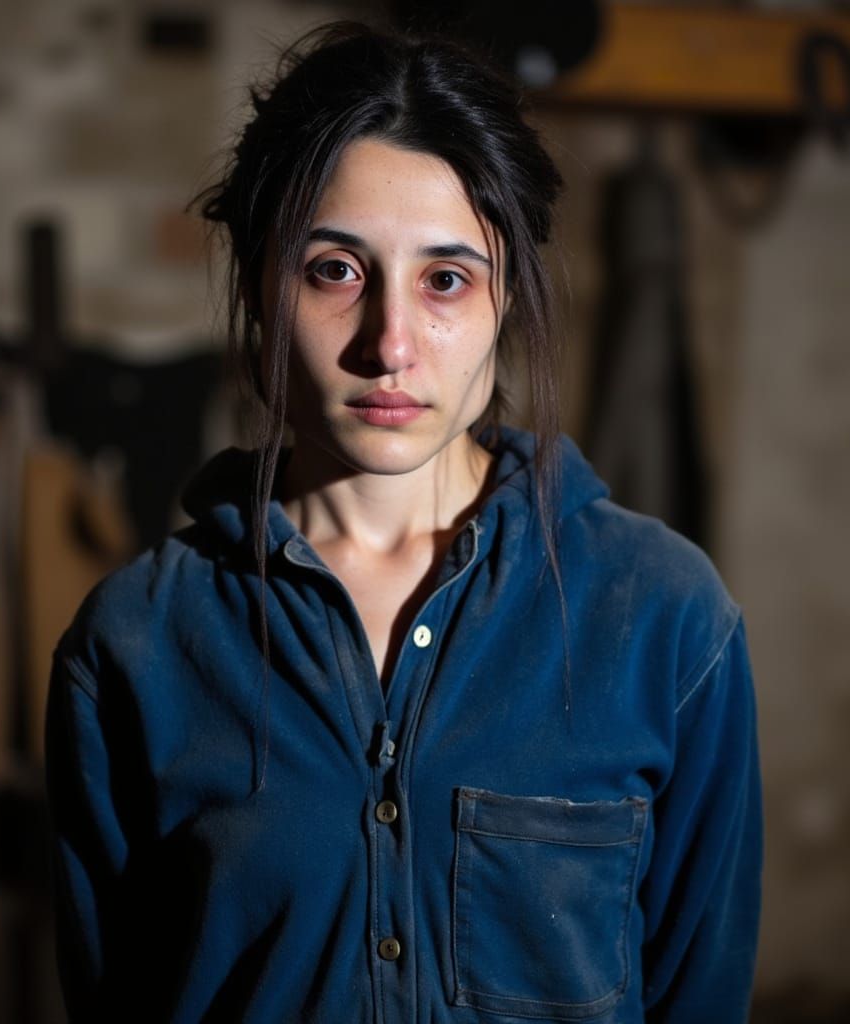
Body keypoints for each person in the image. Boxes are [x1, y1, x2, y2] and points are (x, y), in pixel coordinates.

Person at [44, 21, 762, 1024]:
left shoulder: (665, 624)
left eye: (445, 280)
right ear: (258, 286)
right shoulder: (134, 645)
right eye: (334, 270)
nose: (390, 343)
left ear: (504, 299)